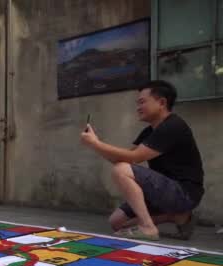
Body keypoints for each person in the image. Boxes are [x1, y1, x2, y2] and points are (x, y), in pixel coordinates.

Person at [81, 80, 204, 241]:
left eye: (142, 102)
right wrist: (95, 145)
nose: (138, 108)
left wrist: (96, 143)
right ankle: (176, 216)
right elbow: (126, 160)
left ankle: (148, 227)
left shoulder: (173, 126)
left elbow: (133, 158)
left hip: (184, 193)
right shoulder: (149, 131)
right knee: (116, 223)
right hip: (163, 191)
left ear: (161, 103)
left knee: (121, 169)